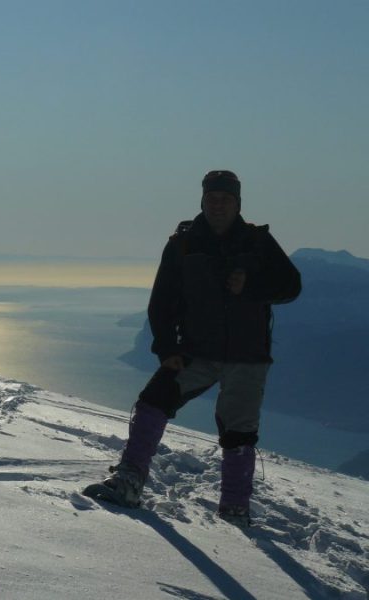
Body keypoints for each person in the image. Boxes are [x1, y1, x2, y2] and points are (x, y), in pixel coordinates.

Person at [83, 170, 302, 526]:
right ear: (202, 201)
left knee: (239, 433)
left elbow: (291, 286)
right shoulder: (182, 244)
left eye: (225, 199)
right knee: (154, 399)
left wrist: (252, 285)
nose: (218, 205)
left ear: (238, 204)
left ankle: (234, 508)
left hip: (247, 357)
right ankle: (129, 480)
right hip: (196, 351)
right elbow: (162, 301)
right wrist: (166, 346)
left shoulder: (258, 242)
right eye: (212, 198)